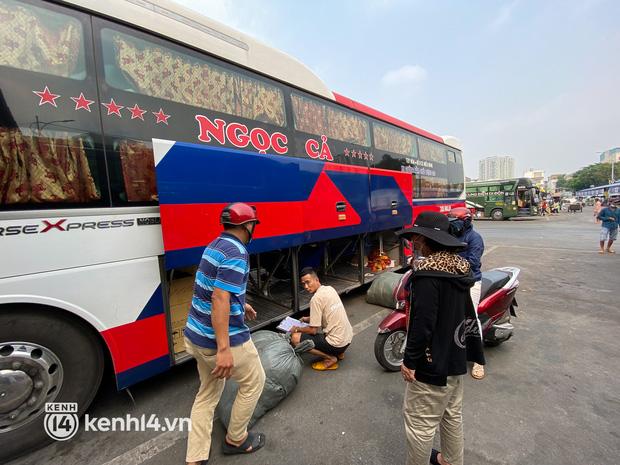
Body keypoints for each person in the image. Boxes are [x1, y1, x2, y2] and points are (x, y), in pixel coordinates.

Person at [397, 211, 485, 465]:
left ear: (425, 241)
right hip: (456, 358)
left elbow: (422, 324)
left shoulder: (427, 276)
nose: (413, 241)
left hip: (432, 364)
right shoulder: (458, 271)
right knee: (451, 414)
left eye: (416, 237)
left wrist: (410, 361)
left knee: (420, 424)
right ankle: (450, 460)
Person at [183, 202, 266, 465]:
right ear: (246, 226)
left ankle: (195, 457)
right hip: (217, 341)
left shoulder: (215, 245)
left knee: (207, 393)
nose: (253, 228)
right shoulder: (237, 252)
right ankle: (236, 439)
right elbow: (219, 297)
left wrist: (242, 304)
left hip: (194, 336)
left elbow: (214, 288)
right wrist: (223, 350)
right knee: (255, 382)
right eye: (253, 224)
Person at [289, 267, 353, 371]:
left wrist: (297, 329)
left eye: (308, 282)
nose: (306, 286)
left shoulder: (316, 299)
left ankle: (330, 358)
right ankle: (340, 354)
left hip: (336, 344)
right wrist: (306, 319)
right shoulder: (329, 289)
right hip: (347, 339)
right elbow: (326, 314)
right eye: (303, 284)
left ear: (316, 279)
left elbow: (313, 330)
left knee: (295, 338)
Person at [448, 207, 486, 380]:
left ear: (466, 221)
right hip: (451, 279)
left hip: (471, 281)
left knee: (471, 317)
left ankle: (479, 360)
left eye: (455, 221)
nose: (453, 225)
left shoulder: (474, 238)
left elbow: (472, 262)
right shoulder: (451, 235)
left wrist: (448, 264)